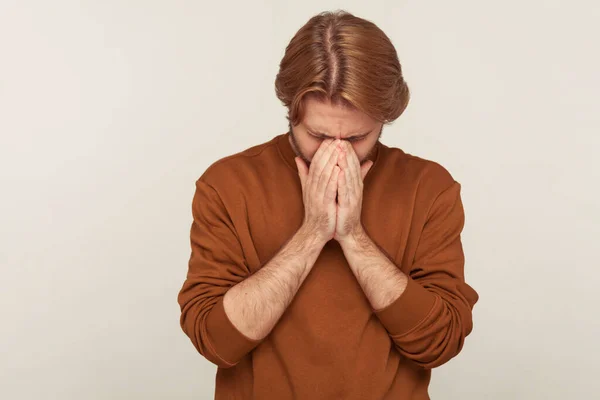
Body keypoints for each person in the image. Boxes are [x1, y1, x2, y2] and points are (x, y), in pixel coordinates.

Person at [177, 9, 479, 400]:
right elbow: (215, 342)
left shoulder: (428, 187)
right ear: (291, 112)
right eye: (318, 135)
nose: (337, 154)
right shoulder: (227, 184)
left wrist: (352, 236)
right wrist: (313, 232)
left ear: (384, 120)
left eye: (356, 139)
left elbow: (440, 342)